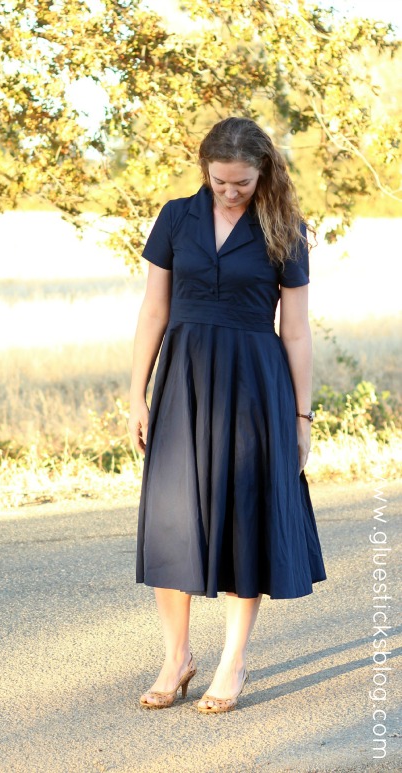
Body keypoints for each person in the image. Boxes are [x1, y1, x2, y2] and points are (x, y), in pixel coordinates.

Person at [128, 116, 327, 713]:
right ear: (205, 171)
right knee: (172, 516)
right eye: (221, 182)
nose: (231, 191)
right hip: (183, 379)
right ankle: (176, 658)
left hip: (255, 385)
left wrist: (301, 417)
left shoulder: (285, 229)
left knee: (247, 517)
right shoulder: (174, 218)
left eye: (242, 182)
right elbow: (153, 312)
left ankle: (233, 662)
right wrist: (136, 394)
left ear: (263, 173)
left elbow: (295, 332)